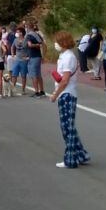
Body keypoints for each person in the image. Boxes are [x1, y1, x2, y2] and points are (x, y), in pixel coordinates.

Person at [50, 32, 90, 169]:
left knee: (68, 128)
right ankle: (81, 154)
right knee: (68, 127)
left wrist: (55, 94)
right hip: (66, 94)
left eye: (57, 41)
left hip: (66, 94)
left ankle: (70, 159)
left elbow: (65, 80)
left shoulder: (68, 58)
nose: (55, 44)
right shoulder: (65, 56)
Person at [25, 21, 45, 98]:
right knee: (38, 74)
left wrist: (35, 45)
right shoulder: (37, 34)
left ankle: (36, 91)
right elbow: (42, 43)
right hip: (38, 56)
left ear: (28, 27)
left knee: (34, 75)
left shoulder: (29, 35)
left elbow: (29, 45)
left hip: (33, 56)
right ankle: (42, 91)